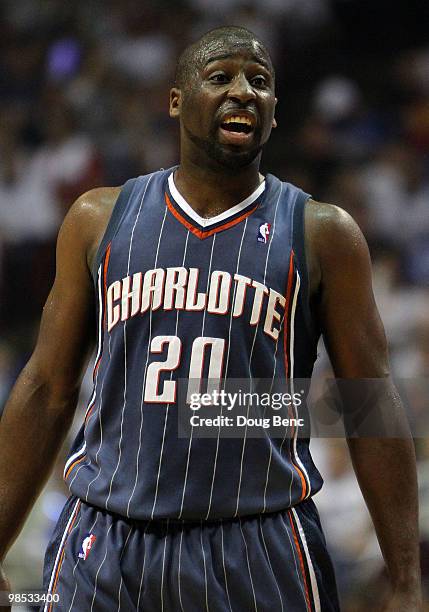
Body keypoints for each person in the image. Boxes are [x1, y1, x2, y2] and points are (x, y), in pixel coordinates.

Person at [0, 26, 421, 612]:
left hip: (257, 541)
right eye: (221, 77)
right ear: (176, 101)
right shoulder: (98, 218)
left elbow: (369, 401)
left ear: (275, 114)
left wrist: (406, 578)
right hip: (104, 540)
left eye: (260, 82)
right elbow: (46, 388)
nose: (243, 91)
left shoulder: (324, 232)